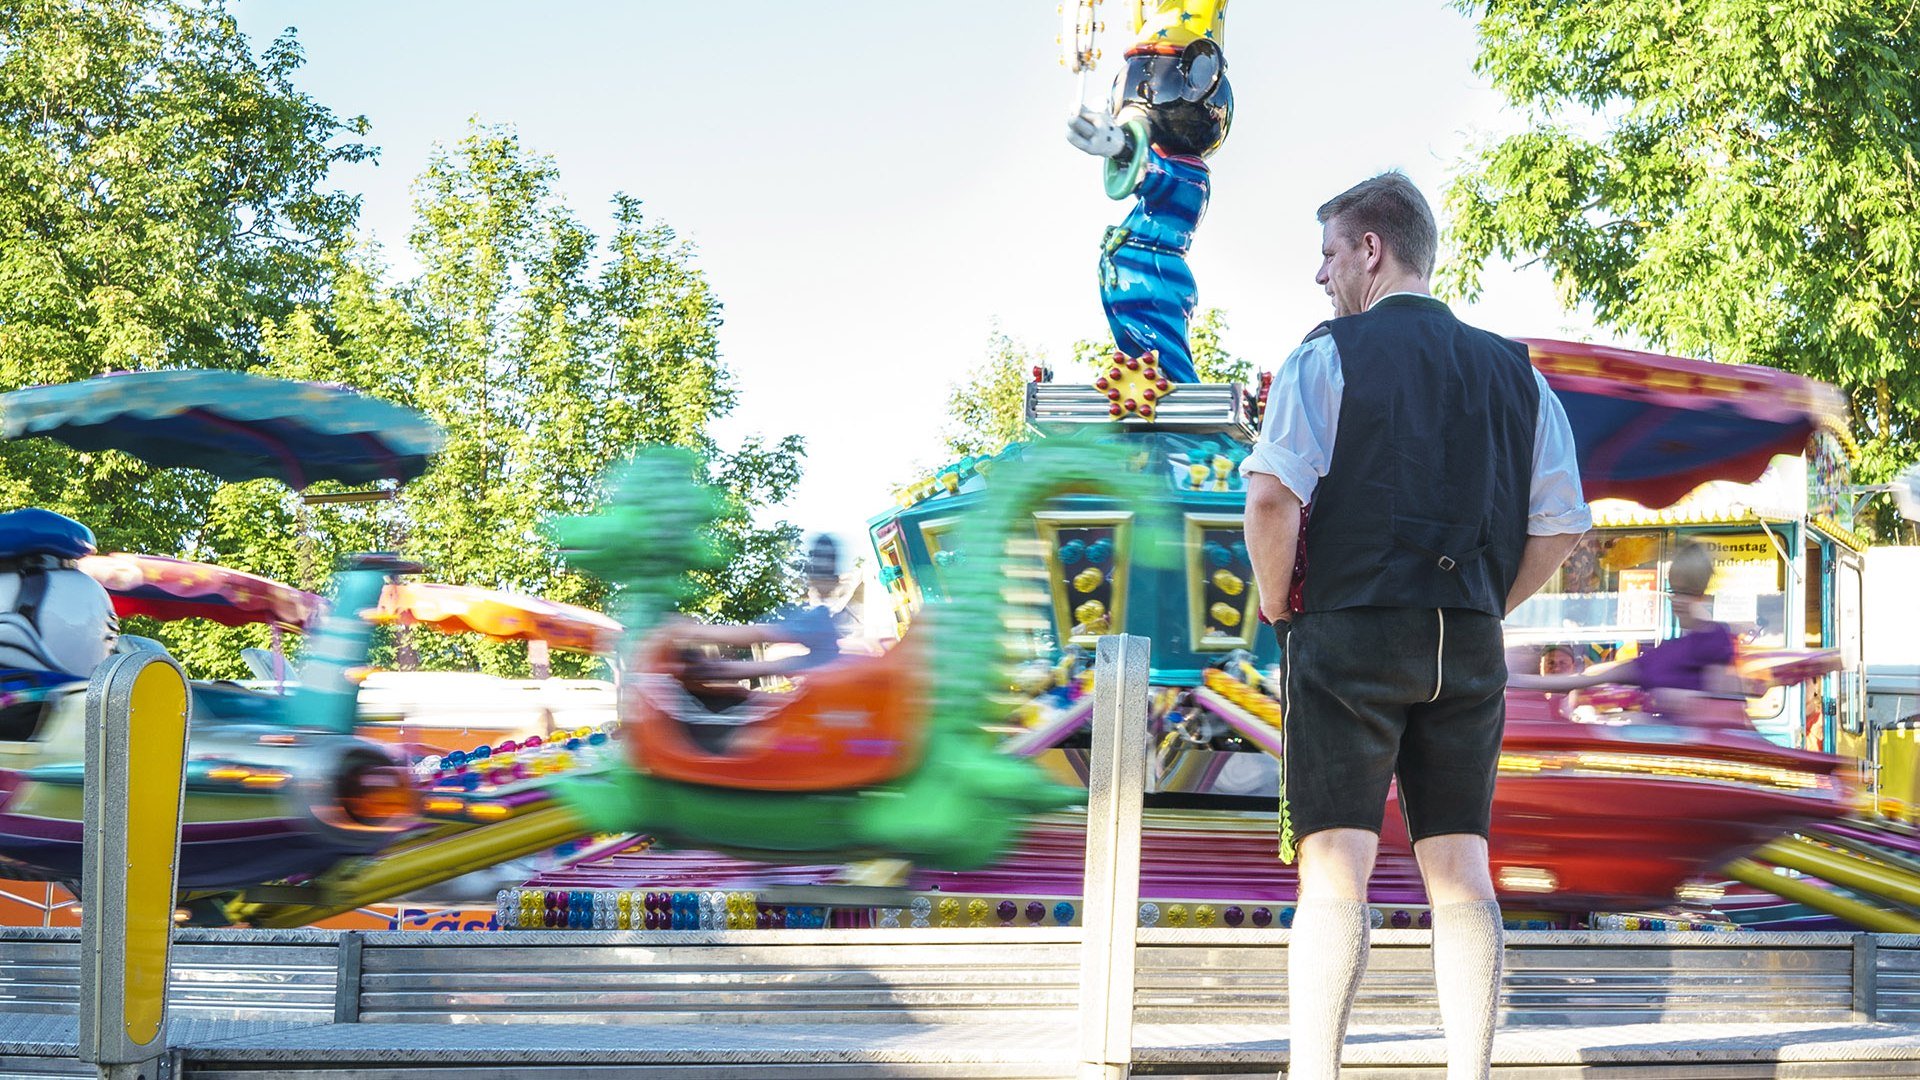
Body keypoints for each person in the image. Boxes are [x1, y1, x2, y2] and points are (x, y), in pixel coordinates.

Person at [1239, 173, 1589, 1080]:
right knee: (1462, 868)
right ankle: (1468, 1073)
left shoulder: (1327, 356)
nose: (1320, 277)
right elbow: (1560, 524)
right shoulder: (1519, 375)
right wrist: (1486, 604)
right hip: (1467, 642)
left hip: (1348, 632)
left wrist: (1279, 604)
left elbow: (1272, 497)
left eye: (1327, 254)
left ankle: (1316, 1072)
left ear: (1370, 250)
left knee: (1334, 870)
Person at [1513, 542, 1744, 710]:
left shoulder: (1717, 640)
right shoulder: (1666, 651)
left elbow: (1724, 707)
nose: (1678, 601)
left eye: (1689, 592)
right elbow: (1584, 679)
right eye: (1674, 591)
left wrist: (1674, 699)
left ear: (1702, 595)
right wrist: (1513, 681)